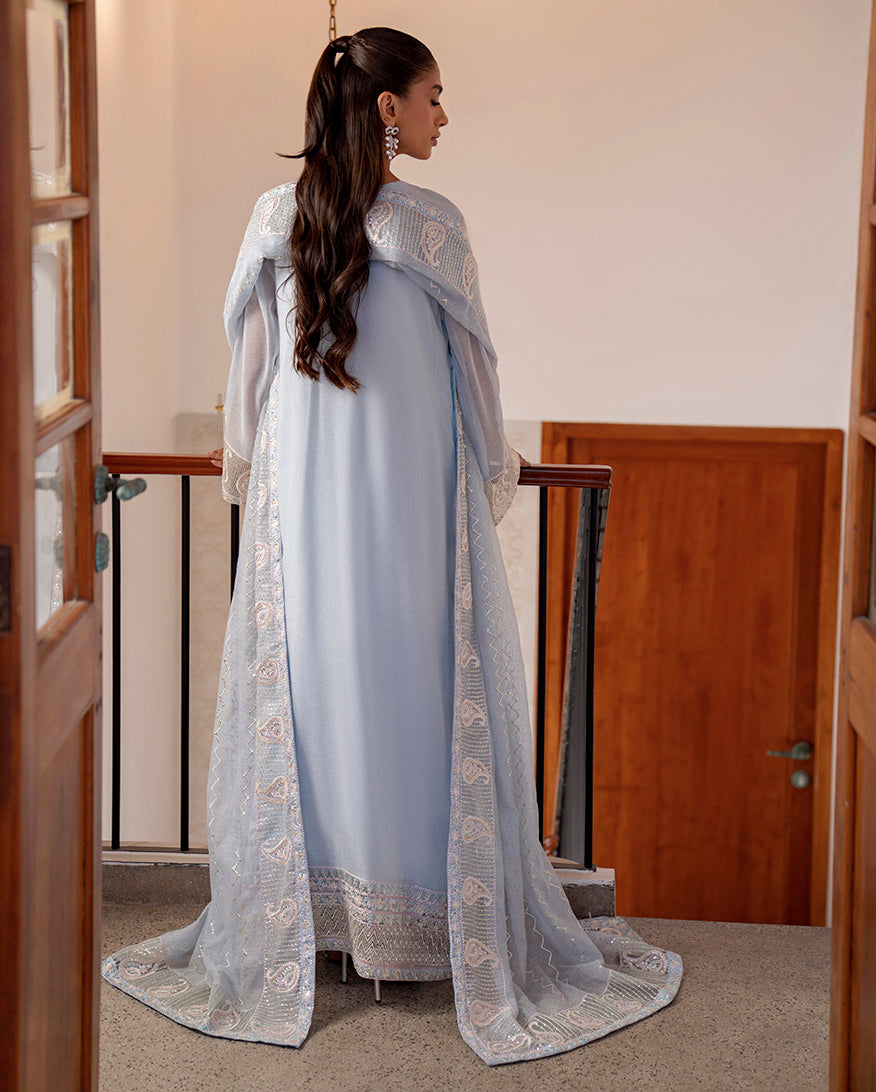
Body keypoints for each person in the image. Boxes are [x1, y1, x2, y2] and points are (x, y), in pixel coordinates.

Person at [102, 27, 681, 1065]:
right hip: (410, 510)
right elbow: (475, 368)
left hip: (303, 511)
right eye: (434, 97)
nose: (443, 117)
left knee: (318, 691)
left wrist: (249, 465)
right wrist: (494, 465)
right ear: (387, 109)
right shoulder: (431, 225)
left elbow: (249, 376)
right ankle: (417, 928)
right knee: (415, 689)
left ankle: (325, 924)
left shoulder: (276, 218)